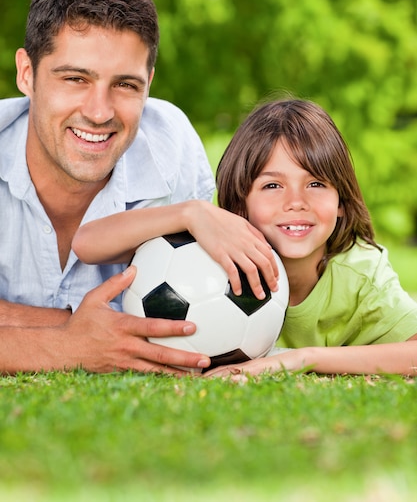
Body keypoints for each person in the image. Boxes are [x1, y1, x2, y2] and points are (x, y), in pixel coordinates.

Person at [0, 0, 277, 375]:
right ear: (27, 73)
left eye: (125, 85)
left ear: (149, 83)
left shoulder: (172, 147)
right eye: (75, 79)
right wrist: (68, 343)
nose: (98, 112)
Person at [74, 98, 417, 377]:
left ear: (340, 202)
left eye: (316, 184)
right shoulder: (208, 253)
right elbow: (87, 243)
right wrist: (189, 213)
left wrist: (301, 359)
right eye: (272, 185)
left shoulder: (360, 271)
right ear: (240, 205)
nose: (296, 202)